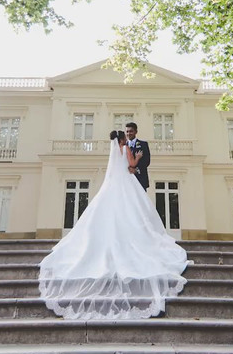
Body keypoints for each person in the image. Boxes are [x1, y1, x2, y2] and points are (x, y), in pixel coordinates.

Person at [39, 130, 191, 320]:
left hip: (112, 184)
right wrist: (138, 157)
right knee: (134, 211)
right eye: (125, 137)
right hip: (126, 182)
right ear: (122, 139)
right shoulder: (126, 147)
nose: (127, 138)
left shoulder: (112, 151)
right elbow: (132, 164)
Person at [125, 122, 151, 191]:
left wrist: (136, 170)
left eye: (131, 131)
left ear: (136, 132)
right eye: (127, 131)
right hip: (126, 179)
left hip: (140, 178)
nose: (128, 133)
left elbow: (147, 161)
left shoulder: (143, 144)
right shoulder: (123, 146)